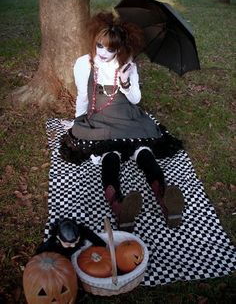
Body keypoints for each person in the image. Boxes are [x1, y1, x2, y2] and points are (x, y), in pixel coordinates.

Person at [60, 12, 184, 232]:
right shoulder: (83, 64)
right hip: (101, 118)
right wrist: (78, 122)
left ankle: (164, 197)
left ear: (120, 47)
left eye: (111, 48)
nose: (104, 52)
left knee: (143, 148)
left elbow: (136, 99)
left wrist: (126, 81)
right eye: (100, 45)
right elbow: (83, 96)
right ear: (94, 41)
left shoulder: (127, 63)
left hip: (127, 115)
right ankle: (119, 206)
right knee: (110, 152)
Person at [36, 218, 106, 259]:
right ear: (58, 238)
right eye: (68, 244)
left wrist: (103, 249)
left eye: (76, 241)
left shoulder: (81, 230)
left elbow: (95, 238)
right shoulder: (52, 244)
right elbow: (38, 254)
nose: (73, 245)